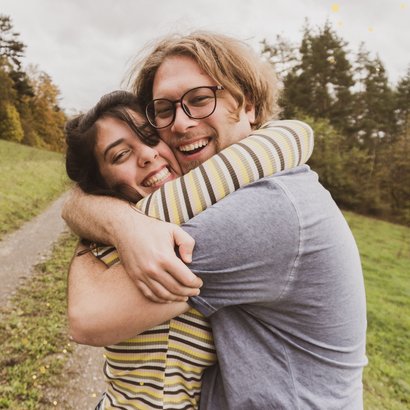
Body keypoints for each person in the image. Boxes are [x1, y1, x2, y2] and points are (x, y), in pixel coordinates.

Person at [64, 31, 367, 409]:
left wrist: (106, 220)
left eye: (200, 100)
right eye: (164, 109)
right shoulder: (227, 193)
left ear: (250, 106)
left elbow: (90, 315)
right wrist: (110, 217)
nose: (180, 123)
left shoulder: (264, 211)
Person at [65, 90, 314, 409]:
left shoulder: (116, 230)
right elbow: (294, 137)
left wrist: (93, 212)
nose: (148, 155)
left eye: (150, 137)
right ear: (102, 184)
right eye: (120, 155)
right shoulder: (172, 230)